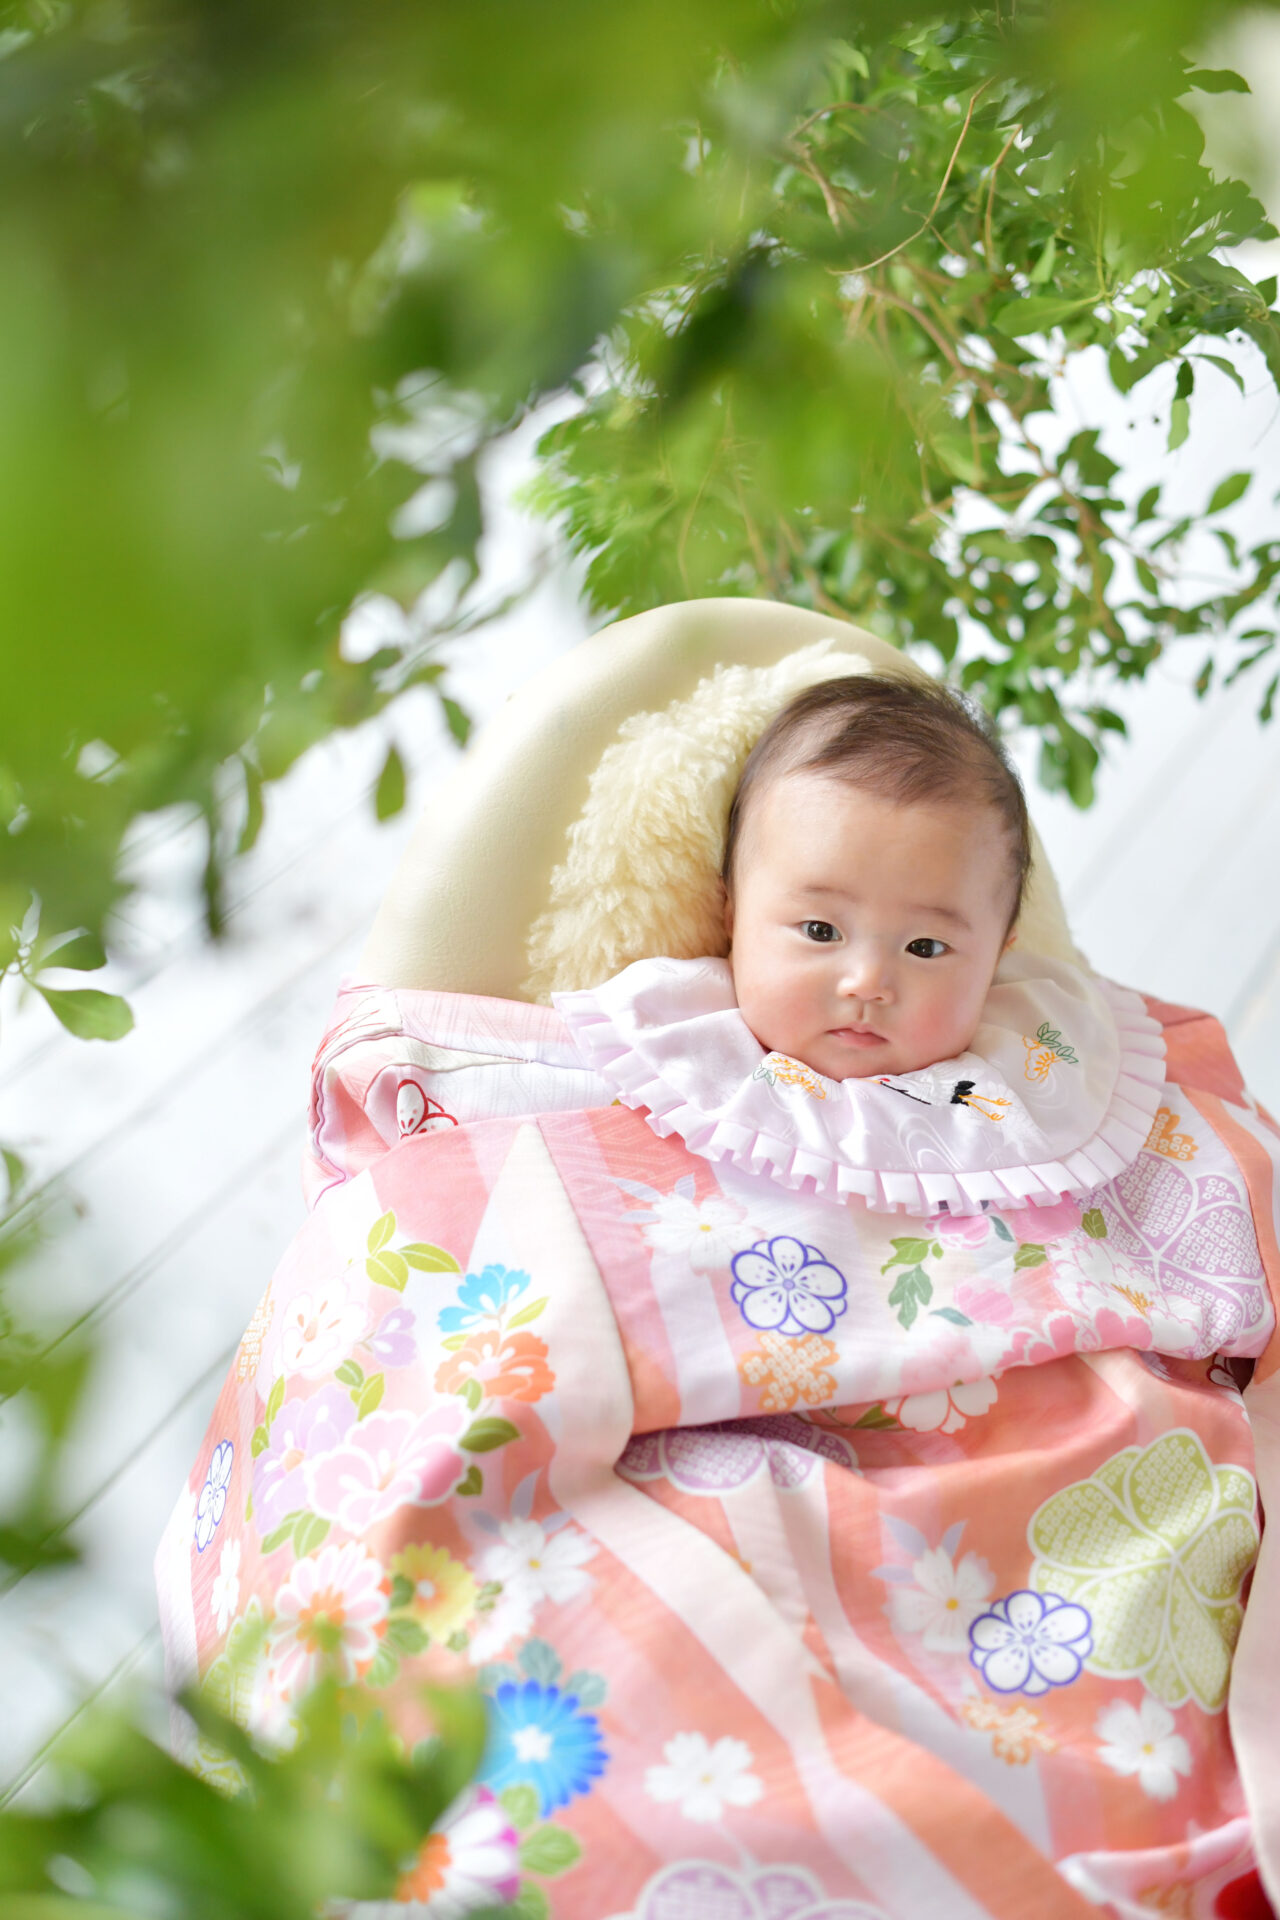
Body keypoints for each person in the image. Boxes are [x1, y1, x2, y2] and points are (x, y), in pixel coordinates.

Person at [721, 673, 1030, 1085]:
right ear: (731, 913)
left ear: (997, 959)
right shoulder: (673, 1049)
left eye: (924, 947)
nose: (867, 984)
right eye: (820, 930)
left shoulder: (1017, 1082)